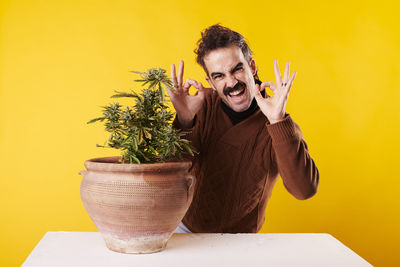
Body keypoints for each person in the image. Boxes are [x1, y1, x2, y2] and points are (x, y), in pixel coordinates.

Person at [167, 24, 319, 233]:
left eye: (237, 69)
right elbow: (170, 177)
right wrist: (184, 120)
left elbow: (304, 190)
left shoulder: (278, 123)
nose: (231, 82)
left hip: (241, 241)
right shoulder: (201, 107)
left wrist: (278, 121)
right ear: (210, 81)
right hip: (184, 229)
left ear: (252, 66)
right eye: (219, 76)